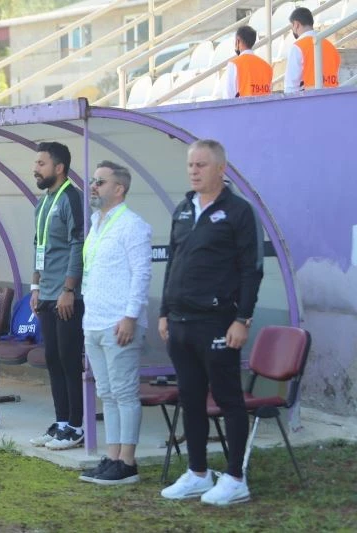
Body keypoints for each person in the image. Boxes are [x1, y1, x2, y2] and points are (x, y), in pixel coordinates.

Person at [159, 140, 263, 506]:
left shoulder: (239, 211)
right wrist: (164, 311)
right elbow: (173, 263)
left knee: (228, 398)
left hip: (218, 323)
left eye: (201, 165)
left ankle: (235, 478)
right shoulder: (183, 209)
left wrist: (242, 319)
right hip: (181, 322)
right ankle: (198, 472)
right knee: (191, 399)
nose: (193, 171)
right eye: (191, 164)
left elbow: (251, 270)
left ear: (221, 169)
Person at [77, 161, 152, 485]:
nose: (93, 186)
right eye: (93, 181)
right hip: (94, 321)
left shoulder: (132, 225)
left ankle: (128, 462)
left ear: (119, 189)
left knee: (124, 392)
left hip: (119, 322)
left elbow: (142, 274)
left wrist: (130, 316)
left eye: (100, 182)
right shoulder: (96, 223)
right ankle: (112, 457)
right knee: (107, 393)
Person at [27, 142, 85, 450]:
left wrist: (69, 290)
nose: (35, 169)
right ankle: (61, 422)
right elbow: (39, 245)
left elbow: (78, 244)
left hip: (66, 295)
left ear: (59, 167)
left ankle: (76, 426)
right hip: (47, 293)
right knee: (53, 358)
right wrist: (35, 287)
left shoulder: (71, 198)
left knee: (69, 359)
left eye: (41, 164)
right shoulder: (43, 201)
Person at [285, 7, 341, 93]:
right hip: (333, 97)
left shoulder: (297, 46)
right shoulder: (331, 47)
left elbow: (291, 86)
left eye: (292, 26)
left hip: (310, 98)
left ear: (296, 24)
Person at [223, 25, 273, 99]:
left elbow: (228, 97)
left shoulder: (234, 64)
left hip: (243, 106)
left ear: (237, 41)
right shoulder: (267, 67)